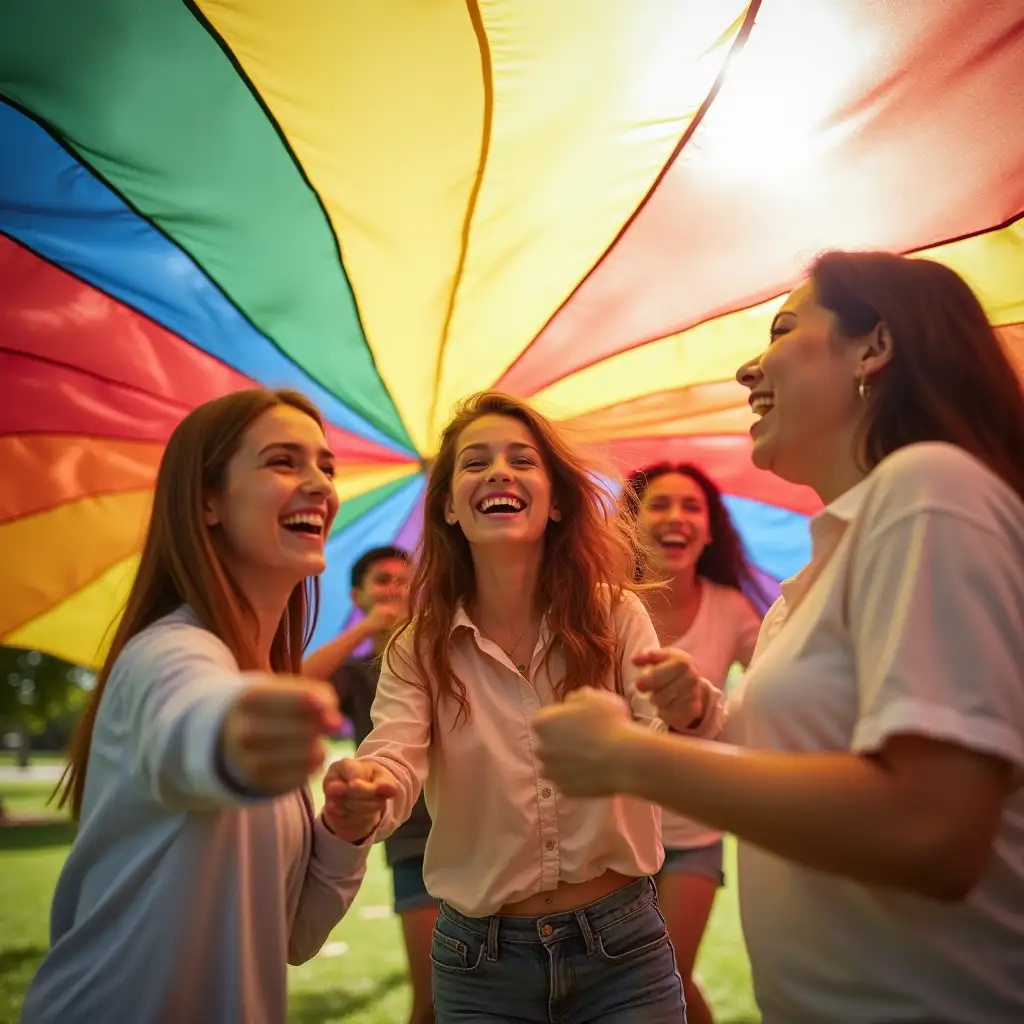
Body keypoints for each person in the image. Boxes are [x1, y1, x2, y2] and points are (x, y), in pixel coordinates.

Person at [532, 250, 1024, 1024]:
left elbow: (934, 826)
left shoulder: (932, 487)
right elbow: (822, 766)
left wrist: (630, 756)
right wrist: (709, 722)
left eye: (784, 329)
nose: (746, 369)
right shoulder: (817, 571)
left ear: (874, 347)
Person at [324, 391, 729, 1023]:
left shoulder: (614, 614)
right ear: (450, 509)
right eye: (474, 463)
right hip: (478, 963)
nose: (499, 472)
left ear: (558, 500)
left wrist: (688, 708)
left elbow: (666, 744)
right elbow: (394, 758)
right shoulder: (416, 645)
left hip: (623, 945)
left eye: (522, 460)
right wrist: (367, 790)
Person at [22, 389, 389, 1024]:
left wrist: (342, 832)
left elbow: (292, 938)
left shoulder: (249, 674)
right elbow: (189, 722)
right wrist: (231, 739)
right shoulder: (166, 653)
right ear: (208, 501)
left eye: (326, 468)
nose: (320, 486)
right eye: (283, 462)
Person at [622, 463, 766, 1024]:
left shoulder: (731, 608)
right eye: (658, 504)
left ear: (708, 531)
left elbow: (774, 684)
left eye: (691, 506)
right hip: (612, 831)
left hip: (693, 831)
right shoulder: (599, 604)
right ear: (630, 524)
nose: (676, 517)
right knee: (629, 986)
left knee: (668, 976)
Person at [305, 545, 437, 1024]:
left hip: (477, 832)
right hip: (412, 841)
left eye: (405, 581)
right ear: (357, 595)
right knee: (432, 999)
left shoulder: (445, 654)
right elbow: (296, 686)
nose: (395, 590)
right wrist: (365, 630)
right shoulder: (355, 674)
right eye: (382, 581)